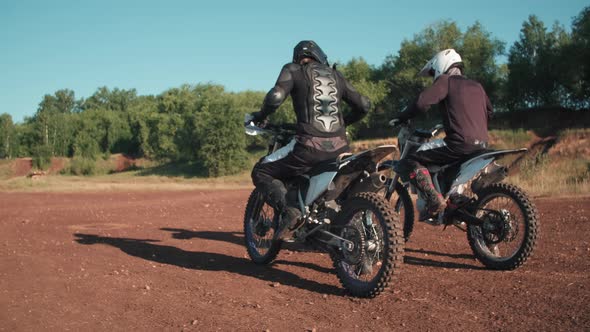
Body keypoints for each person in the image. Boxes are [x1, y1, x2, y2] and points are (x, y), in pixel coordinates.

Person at [249, 40, 371, 239]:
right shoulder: (336, 76)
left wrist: (261, 116)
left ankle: (290, 212)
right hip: (341, 148)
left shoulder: (293, 69)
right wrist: (344, 123)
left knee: (261, 170)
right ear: (321, 57)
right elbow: (364, 105)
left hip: (308, 148)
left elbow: (275, 97)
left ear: (298, 58)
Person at [391, 48, 493, 221]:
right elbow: (490, 112)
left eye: (433, 74)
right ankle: (453, 199)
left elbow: (422, 103)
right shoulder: (477, 86)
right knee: (446, 164)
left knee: (409, 159)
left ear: (440, 65)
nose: (433, 78)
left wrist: (402, 117)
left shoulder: (446, 81)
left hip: (458, 143)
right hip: (482, 144)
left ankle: (434, 199)